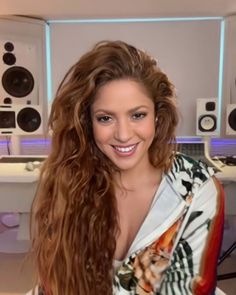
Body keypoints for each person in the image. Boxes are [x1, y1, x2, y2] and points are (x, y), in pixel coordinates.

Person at [29, 40, 224, 295]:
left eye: (137, 115)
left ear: (157, 115)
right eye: (105, 118)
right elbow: (55, 284)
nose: (122, 134)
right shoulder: (67, 183)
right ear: (87, 123)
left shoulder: (197, 191)